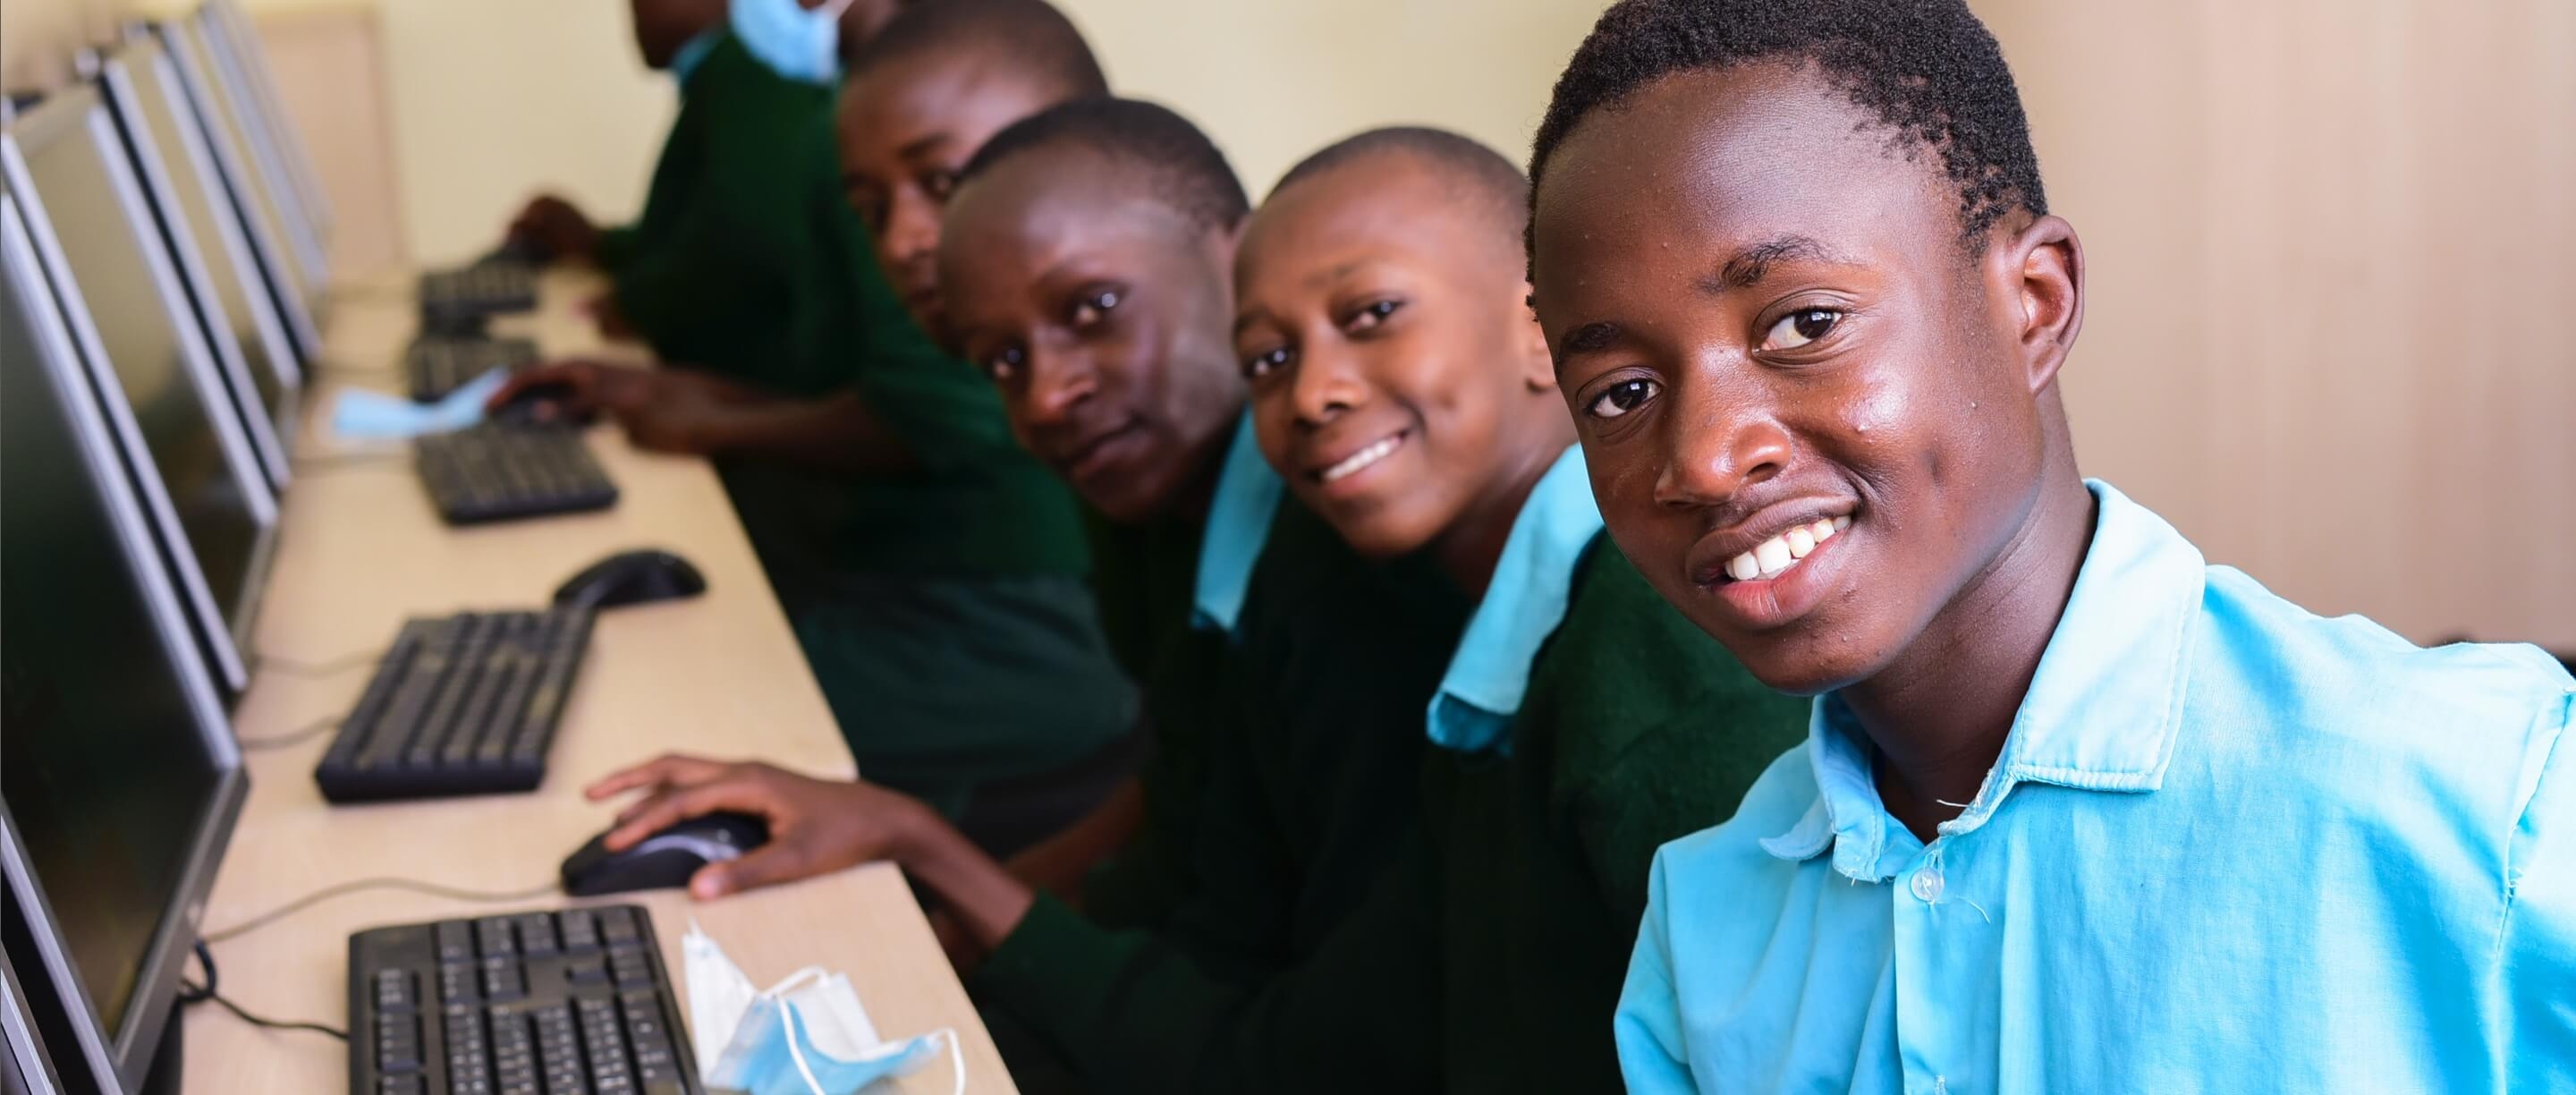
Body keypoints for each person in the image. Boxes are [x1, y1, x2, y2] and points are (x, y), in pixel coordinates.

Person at [1521, 1, 2576, 1091]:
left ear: (2033, 303)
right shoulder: (1711, 930)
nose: (1699, 459)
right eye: (1623, 393)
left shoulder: (2484, 801)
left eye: (1805, 324)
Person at [502, 0, 1140, 849]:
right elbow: (866, 379)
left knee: (653, 721)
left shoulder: (883, 115)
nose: (911, 238)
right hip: (942, 596)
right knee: (639, 697)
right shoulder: (859, 121)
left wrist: (715, 422)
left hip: (998, 625)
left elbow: (926, 411)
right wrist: (695, 398)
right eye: (873, 210)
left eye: (941, 189)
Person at [503, 0, 907, 374]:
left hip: (769, 389)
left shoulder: (752, 63)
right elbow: (704, 214)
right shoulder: (736, 66)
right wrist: (602, 245)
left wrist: (640, 305)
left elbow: (745, 224)